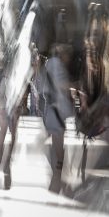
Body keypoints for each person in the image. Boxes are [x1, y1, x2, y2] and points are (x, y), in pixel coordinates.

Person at [42, 43, 75, 194]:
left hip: (51, 108)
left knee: (56, 138)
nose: (69, 59)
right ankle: (59, 169)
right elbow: (61, 85)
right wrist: (74, 86)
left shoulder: (50, 63)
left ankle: (57, 171)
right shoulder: (57, 65)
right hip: (56, 109)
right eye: (68, 55)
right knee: (58, 140)